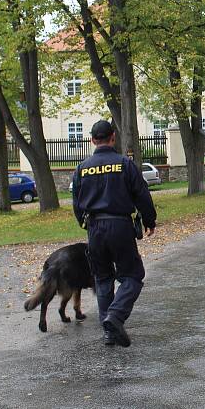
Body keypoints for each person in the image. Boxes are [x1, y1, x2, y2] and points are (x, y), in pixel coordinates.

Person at [72, 121, 157, 347]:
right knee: (132, 275)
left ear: (92, 140)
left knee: (103, 279)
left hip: (95, 229)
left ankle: (109, 331)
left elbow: (77, 202)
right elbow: (142, 194)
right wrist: (150, 221)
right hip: (120, 226)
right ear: (113, 137)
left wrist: (84, 223)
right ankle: (115, 317)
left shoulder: (82, 168)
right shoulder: (124, 164)